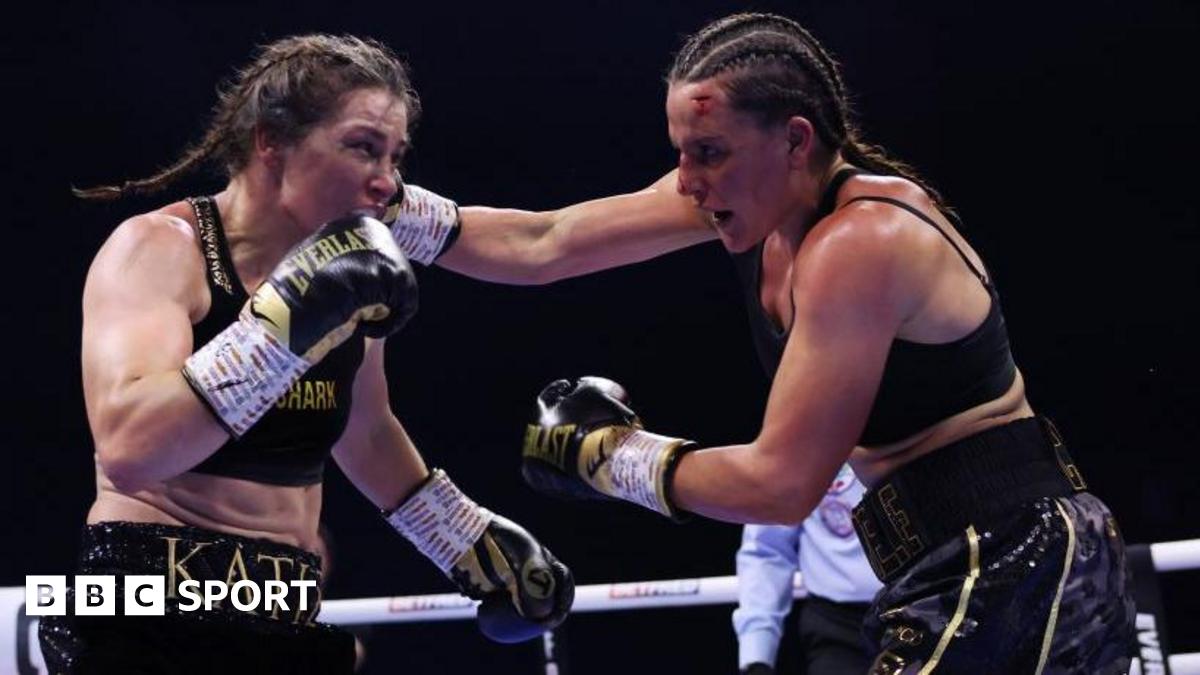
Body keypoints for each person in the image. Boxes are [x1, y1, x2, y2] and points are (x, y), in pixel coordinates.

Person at [387, 12, 1136, 673]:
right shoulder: (755, 203)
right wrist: (385, 206)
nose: (686, 180)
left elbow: (781, 485)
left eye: (708, 152)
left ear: (795, 140)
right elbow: (545, 241)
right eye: (681, 151)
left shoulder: (861, 239)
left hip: (1017, 559)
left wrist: (609, 456)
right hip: (954, 565)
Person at [43, 34, 572, 674]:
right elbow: (129, 449)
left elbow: (366, 427)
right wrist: (289, 317)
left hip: (283, 598)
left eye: (395, 156)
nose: (387, 182)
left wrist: (465, 539)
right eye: (363, 148)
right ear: (271, 141)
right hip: (145, 596)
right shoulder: (159, 248)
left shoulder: (350, 264)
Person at [734, 464, 881, 674]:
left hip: (925, 607)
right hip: (837, 630)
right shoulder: (801, 442)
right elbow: (768, 550)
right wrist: (756, 655)